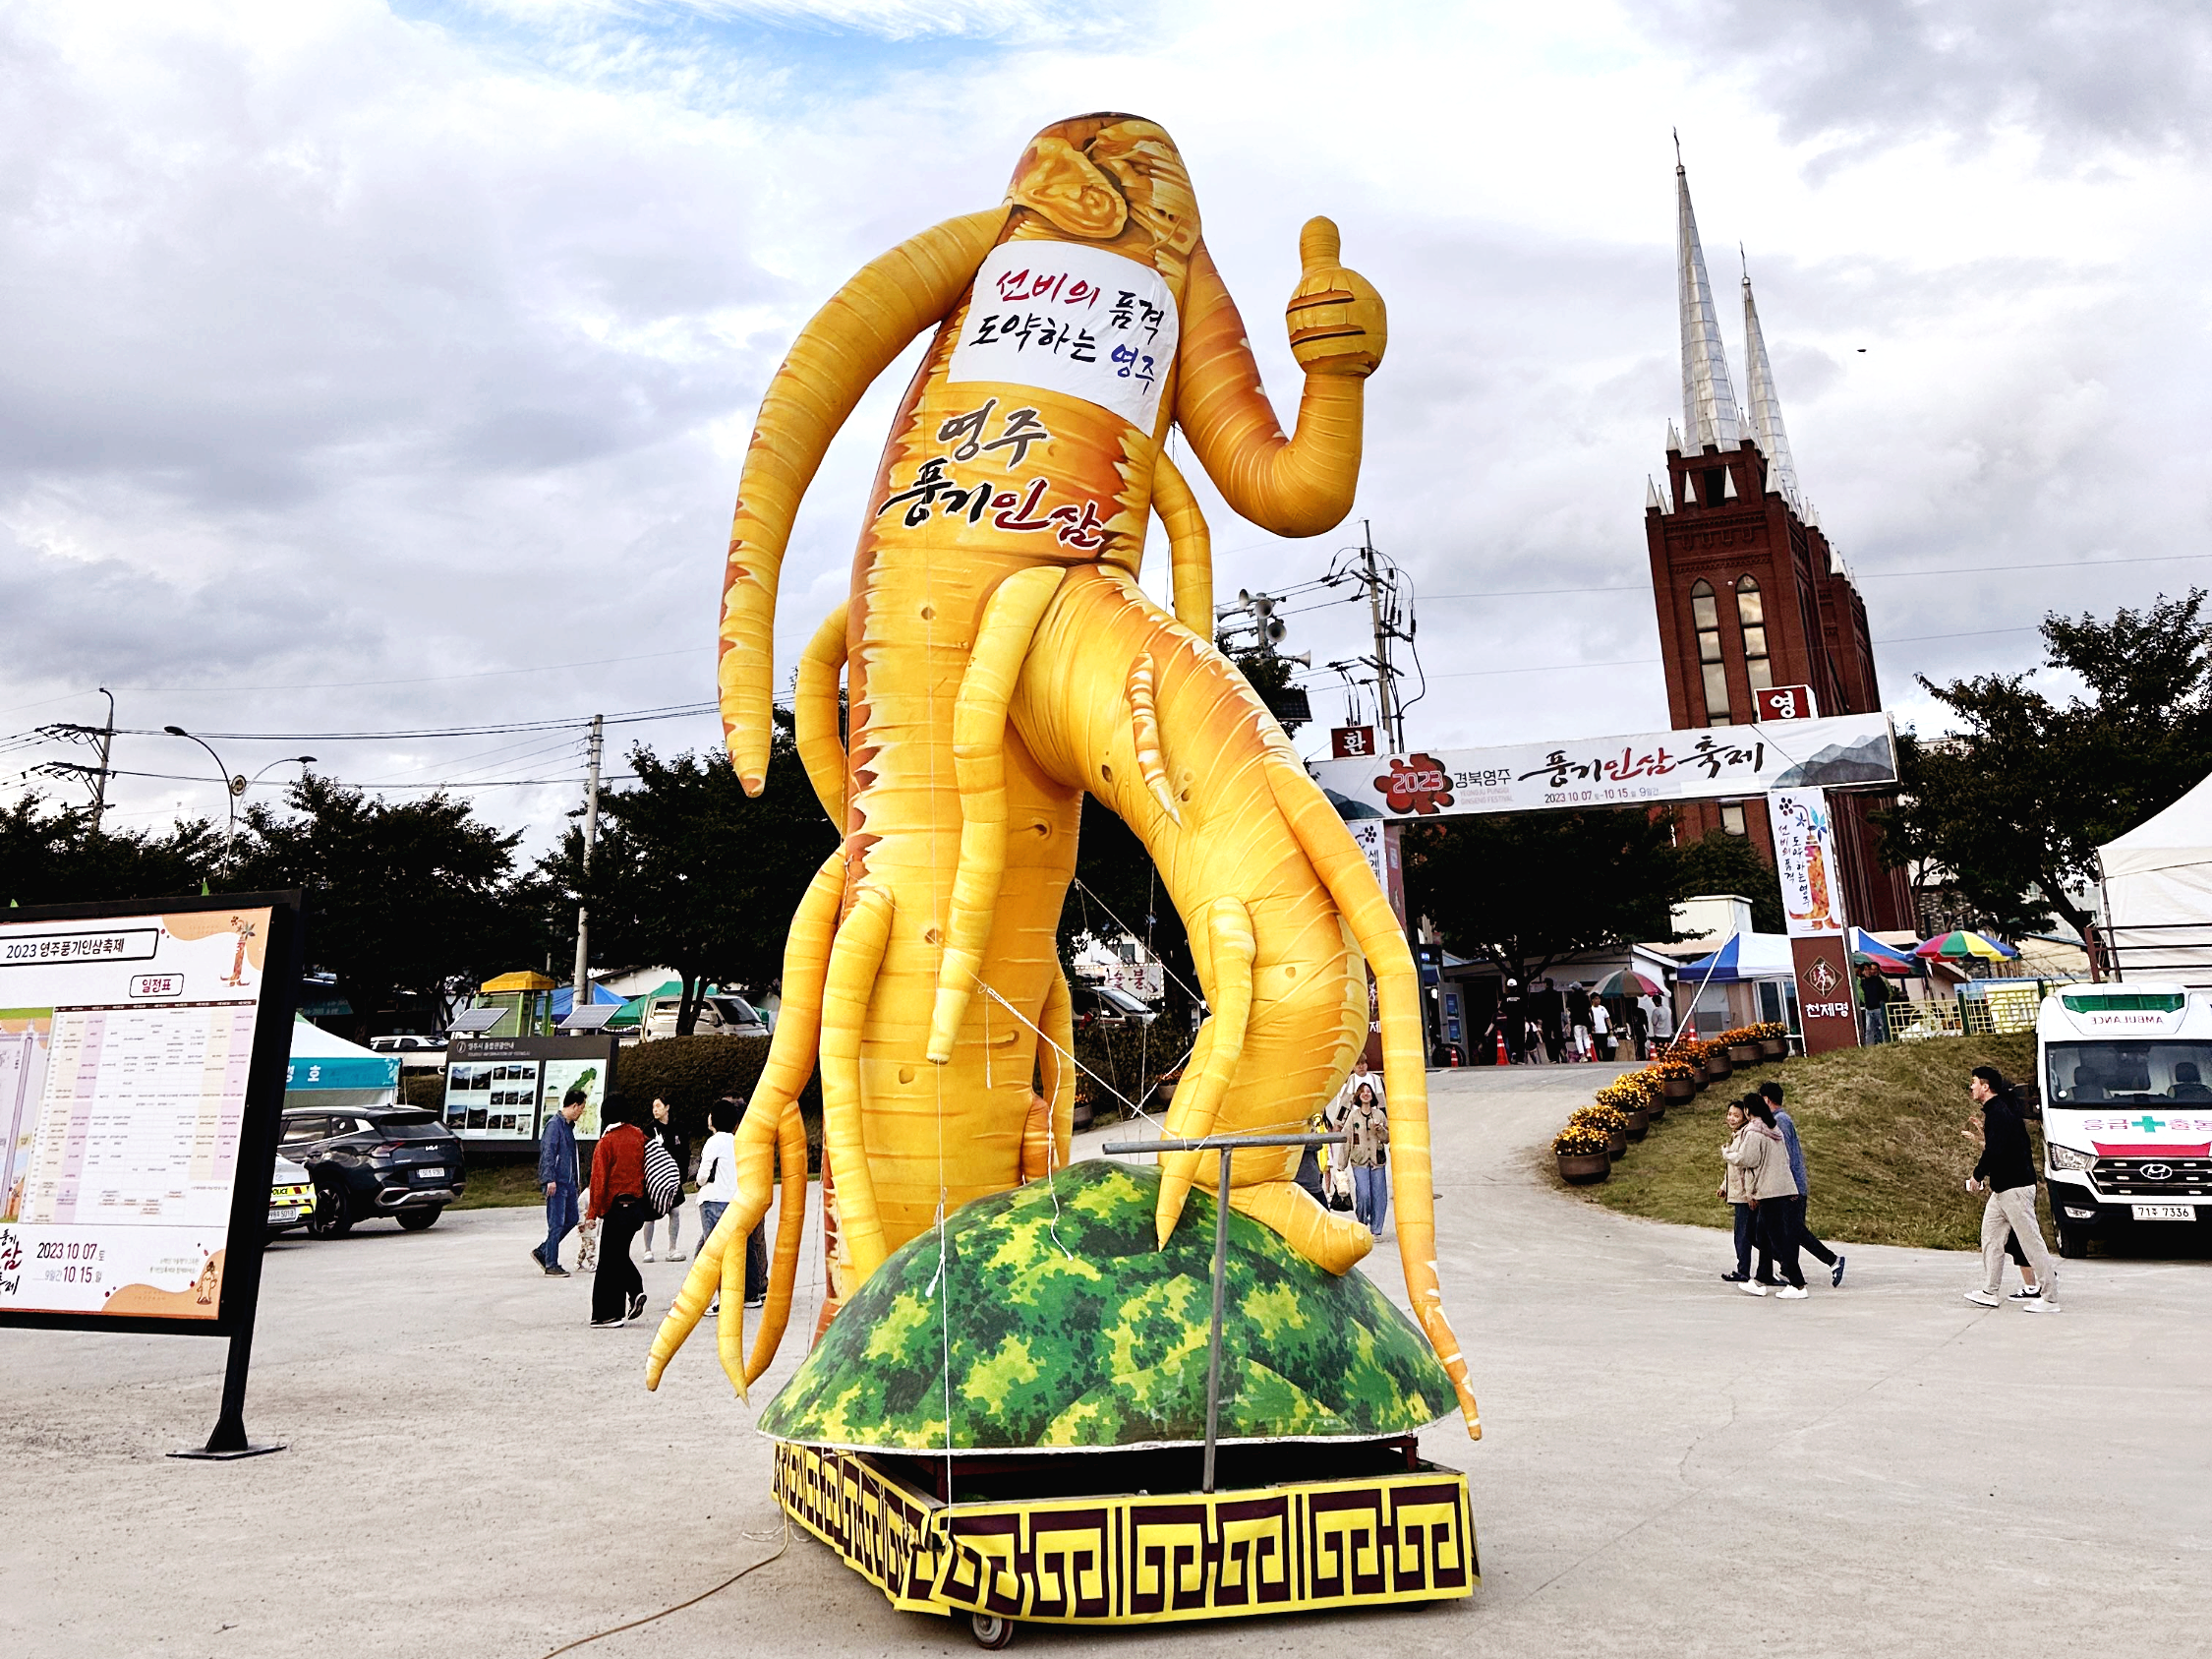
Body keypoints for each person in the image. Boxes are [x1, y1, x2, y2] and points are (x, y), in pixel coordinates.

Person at [1964, 1066, 2060, 1312]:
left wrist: (1977, 1175)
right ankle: (1989, 1292)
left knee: (2031, 1243)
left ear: (1986, 1086)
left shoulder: (1999, 1112)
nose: (1971, 1086)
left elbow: (1994, 1151)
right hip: (2003, 1190)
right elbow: (1999, 1147)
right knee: (1991, 1237)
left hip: (2016, 1189)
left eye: (1974, 1082)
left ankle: (2049, 1298)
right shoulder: (1998, 1110)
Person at [1759, 1081, 1845, 1287]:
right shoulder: (1779, 1120)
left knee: (1793, 1231)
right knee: (1777, 1231)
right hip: (1787, 1186)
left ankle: (1832, 1260)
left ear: (1766, 1100)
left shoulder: (1780, 1121)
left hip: (1791, 1187)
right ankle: (1787, 1269)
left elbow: (1785, 1156)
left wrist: (1789, 1186)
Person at [1727, 1096, 1807, 1297]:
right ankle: (1760, 1279)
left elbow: (1749, 1160)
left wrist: (1729, 1155)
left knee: (1778, 1239)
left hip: (1770, 1191)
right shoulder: (1773, 1128)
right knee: (1761, 1235)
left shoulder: (1755, 1131)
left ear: (1747, 1111)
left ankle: (1797, 1284)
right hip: (1781, 1188)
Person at [587, 1099, 650, 1327]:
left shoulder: (607, 1142)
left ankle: (608, 1313)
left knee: (608, 1261)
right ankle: (633, 1293)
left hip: (617, 1207)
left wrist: (592, 1213)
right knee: (618, 1254)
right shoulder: (638, 1135)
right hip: (637, 1207)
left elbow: (598, 1180)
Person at [532, 1088, 586, 1276]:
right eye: (581, 1108)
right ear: (574, 1105)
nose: (582, 1112)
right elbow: (548, 1153)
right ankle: (551, 1263)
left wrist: (576, 1181)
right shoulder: (554, 1125)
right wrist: (549, 1179)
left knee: (571, 1218)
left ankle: (543, 1251)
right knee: (556, 1223)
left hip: (569, 1183)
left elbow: (571, 1157)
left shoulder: (568, 1128)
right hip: (557, 1182)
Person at [642, 1096, 688, 1263]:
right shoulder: (649, 1130)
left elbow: (685, 1152)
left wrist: (681, 1176)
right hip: (654, 1180)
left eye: (658, 1106)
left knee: (674, 1212)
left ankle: (672, 1248)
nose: (655, 1109)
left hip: (673, 1178)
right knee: (650, 1215)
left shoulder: (678, 1128)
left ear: (667, 1107)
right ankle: (648, 1250)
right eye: (653, 1106)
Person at [1717, 1098, 1758, 1283]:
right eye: (1730, 1114)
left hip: (1744, 1194)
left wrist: (1750, 1193)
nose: (1731, 1118)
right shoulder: (1736, 1135)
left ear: (1745, 1117)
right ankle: (1745, 1269)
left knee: (1744, 1235)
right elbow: (1732, 1169)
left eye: (1736, 1115)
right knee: (1745, 1234)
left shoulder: (1745, 1136)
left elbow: (1743, 1164)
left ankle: (1744, 1271)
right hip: (1738, 1193)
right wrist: (1724, 1186)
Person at [1345, 1080, 1389, 1234]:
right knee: (1363, 1194)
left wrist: (1380, 1130)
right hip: (1359, 1160)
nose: (1365, 1094)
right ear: (1358, 1095)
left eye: (1368, 1091)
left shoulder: (1379, 1115)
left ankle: (1376, 1229)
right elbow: (1347, 1140)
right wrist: (1340, 1165)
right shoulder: (1353, 1117)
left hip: (1377, 1160)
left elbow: (1387, 1139)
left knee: (1379, 1195)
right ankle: (1363, 1221)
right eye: (1362, 1091)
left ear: (1372, 1096)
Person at [1858, 965, 1892, 1044]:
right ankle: (1870, 1045)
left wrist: (1882, 1002)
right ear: (1862, 972)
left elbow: (1885, 992)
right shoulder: (1862, 982)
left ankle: (1885, 1043)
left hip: (1878, 1008)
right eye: (1865, 970)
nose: (1868, 971)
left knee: (1882, 1027)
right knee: (1869, 1029)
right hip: (1868, 1008)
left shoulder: (1877, 980)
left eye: (1869, 969)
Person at [1565, 982, 1593, 1061]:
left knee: (1578, 1038)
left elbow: (1568, 1008)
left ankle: (1582, 1055)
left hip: (1576, 1020)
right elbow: (1589, 1008)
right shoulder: (1585, 997)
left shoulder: (1571, 997)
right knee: (1586, 1037)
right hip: (1585, 1020)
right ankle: (1588, 1052)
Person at [1625, 998, 1650, 1062]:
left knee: (1640, 1044)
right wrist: (1647, 1030)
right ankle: (1641, 1056)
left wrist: (1647, 1030)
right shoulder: (1639, 1011)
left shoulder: (1629, 1012)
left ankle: (1640, 1056)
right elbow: (1646, 1022)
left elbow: (1645, 1022)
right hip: (1638, 1030)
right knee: (1640, 1044)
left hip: (1637, 1030)